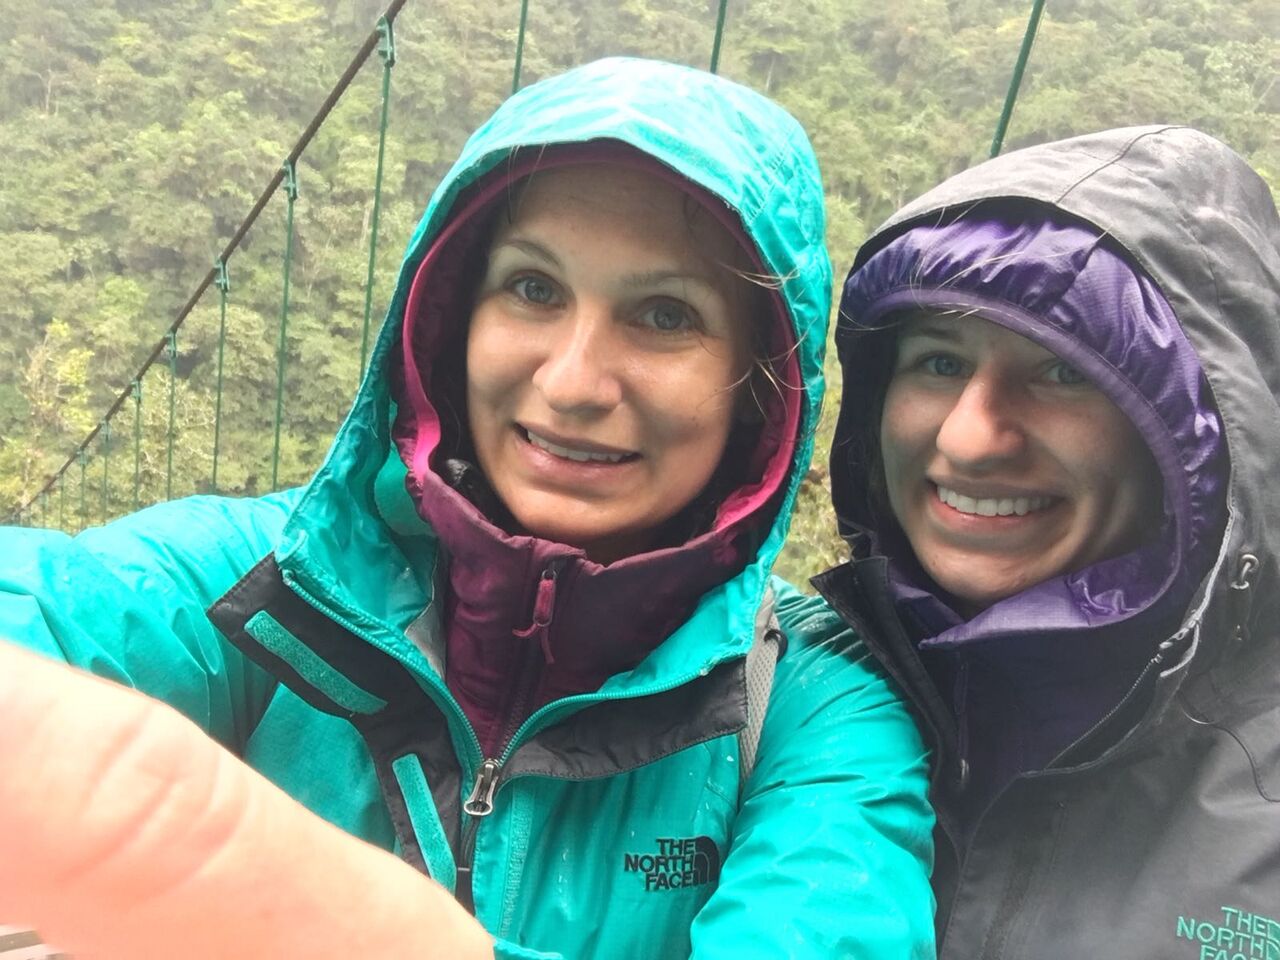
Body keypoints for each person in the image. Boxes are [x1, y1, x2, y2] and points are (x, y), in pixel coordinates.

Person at [0, 58, 935, 958]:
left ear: (759, 392)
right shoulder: (271, 584)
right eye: (533, 288)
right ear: (452, 322)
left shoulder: (810, 703)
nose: (571, 384)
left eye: (664, 316)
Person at [816, 123, 1280, 958]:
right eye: (939, 363)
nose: (969, 440)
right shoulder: (779, 692)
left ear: (1196, 441)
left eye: (1064, 372)